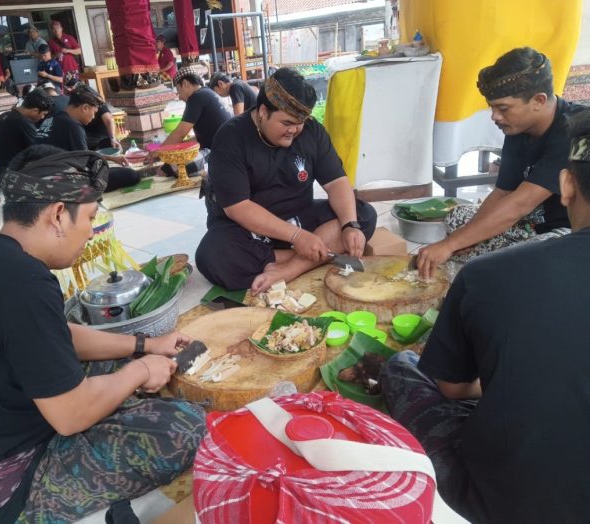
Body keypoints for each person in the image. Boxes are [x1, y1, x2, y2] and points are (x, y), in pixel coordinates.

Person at [0, 145, 206, 523]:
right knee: (185, 426)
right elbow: (70, 415)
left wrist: (145, 345)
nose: (91, 231)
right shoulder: (24, 283)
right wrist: (141, 371)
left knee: (115, 361)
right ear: (59, 215)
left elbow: (57, 335)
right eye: (91, 217)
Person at [380, 110, 590, 524]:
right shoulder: (518, 140)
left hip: (503, 502)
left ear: (566, 185)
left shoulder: (489, 275)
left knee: (403, 367)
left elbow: (454, 389)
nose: (496, 115)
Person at [195, 67, 377, 292]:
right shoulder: (230, 138)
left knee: (362, 214)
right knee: (213, 255)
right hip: (249, 230)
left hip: (300, 218)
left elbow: (336, 182)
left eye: (300, 122)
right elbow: (238, 208)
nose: (295, 130)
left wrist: (350, 225)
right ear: (263, 111)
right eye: (287, 123)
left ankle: (289, 268)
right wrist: (298, 237)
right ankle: (321, 253)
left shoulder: (311, 132)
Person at [417, 47, 586, 279]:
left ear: (539, 100)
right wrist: (462, 241)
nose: (494, 116)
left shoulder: (575, 131)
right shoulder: (518, 127)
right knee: (457, 220)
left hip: (570, 232)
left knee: (509, 265)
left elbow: (520, 204)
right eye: (492, 107)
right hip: (532, 223)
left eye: (503, 108)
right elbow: (502, 192)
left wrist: (449, 246)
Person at [38, 86, 140, 191]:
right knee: (131, 175)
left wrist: (112, 158)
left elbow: (84, 154)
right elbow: (85, 161)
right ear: (85, 108)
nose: (93, 117)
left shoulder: (52, 118)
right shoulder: (73, 126)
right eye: (94, 113)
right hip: (60, 182)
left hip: (40, 176)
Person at [0, 88, 54, 186]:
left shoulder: (3, 116)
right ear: (35, 110)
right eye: (43, 114)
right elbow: (39, 149)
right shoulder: (23, 122)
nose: (42, 117)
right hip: (14, 172)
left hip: (0, 167)